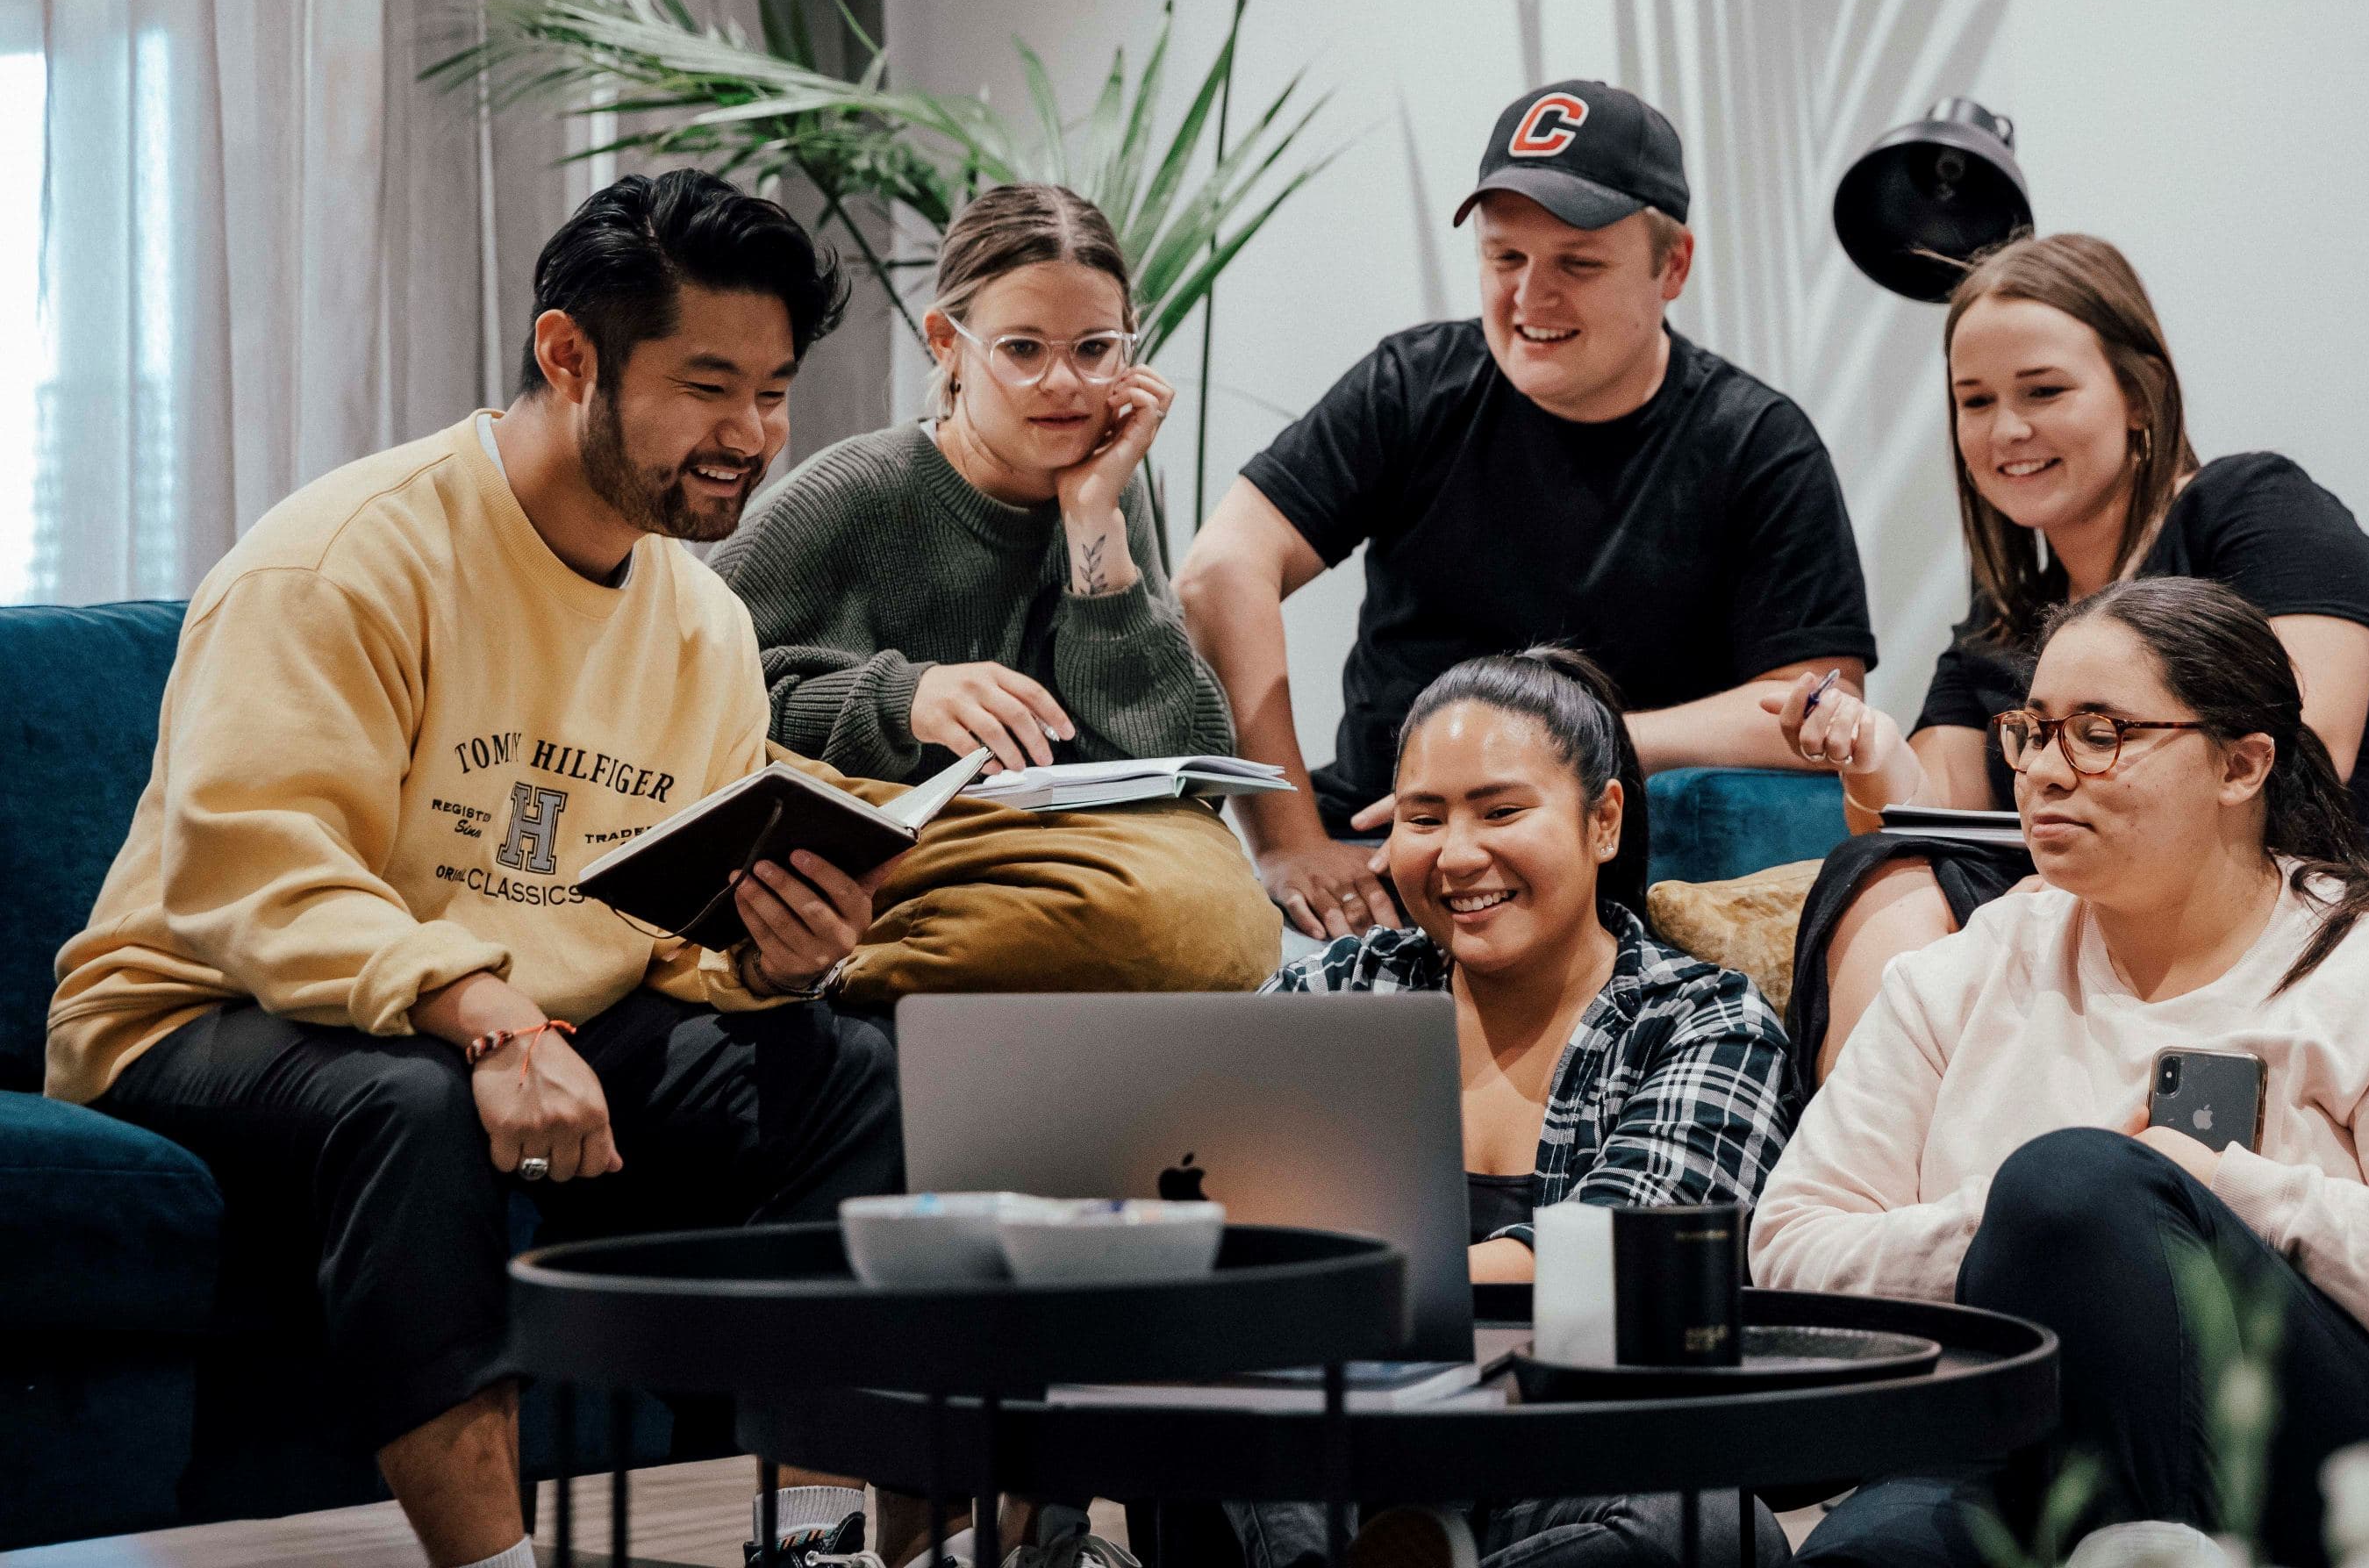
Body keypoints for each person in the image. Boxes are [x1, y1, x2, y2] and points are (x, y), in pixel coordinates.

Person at [43, 172, 937, 1568]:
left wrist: (766, 953)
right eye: (708, 385)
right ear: (568, 352)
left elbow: (656, 921)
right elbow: (259, 871)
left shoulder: (700, 620)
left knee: (838, 1071)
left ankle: (814, 1540)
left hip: (531, 1009)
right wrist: (493, 1018)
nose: (750, 437)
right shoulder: (346, 558)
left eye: (772, 392)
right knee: (412, 1104)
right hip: (207, 1008)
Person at [1752, 577, 2369, 1568]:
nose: (2044, 771)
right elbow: (1791, 1251)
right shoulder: (1964, 972)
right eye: (2033, 730)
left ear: (2242, 764)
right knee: (1865, 1555)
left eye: (2101, 731)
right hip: (2024, 1443)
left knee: (2076, 1185)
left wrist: (2225, 1194)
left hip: (2348, 1477)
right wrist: (2022, 1238)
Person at [1771, 232, 2369, 1085]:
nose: (2006, 429)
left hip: (2327, 909)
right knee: (1883, 873)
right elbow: (1932, 821)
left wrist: (2040, 895)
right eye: (1973, 401)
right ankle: (1878, 1195)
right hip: (2110, 938)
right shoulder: (2009, 617)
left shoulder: (2253, 510)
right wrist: (1870, 755)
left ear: (2139, 394)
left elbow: (2298, 765)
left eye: (2044, 390)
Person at [1178, 79, 1877, 942]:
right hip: (1385, 853)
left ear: (1673, 265)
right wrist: (1288, 844)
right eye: (1505, 258)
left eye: (1577, 264)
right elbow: (1221, 570)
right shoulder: (1412, 387)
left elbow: (1818, 705)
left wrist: (1565, 744)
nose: (1529, 298)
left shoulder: (1756, 442)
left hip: (1613, 878)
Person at [1243, 647, 1794, 1568]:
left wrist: (1339, 1288)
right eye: (1424, 816)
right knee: (1234, 1413)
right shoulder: (1344, 989)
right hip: (1346, 1450)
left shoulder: (1700, 1018)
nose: (1458, 854)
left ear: (1604, 820)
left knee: (1695, 1518)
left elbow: (1616, 1253)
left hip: (1566, 1457)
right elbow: (1225, 1215)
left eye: (1500, 811)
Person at [713, 183, 1276, 1003]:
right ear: (947, 344)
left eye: (1094, 349)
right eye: (1021, 349)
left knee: (1222, 914)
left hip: (1053, 850)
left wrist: (1094, 522)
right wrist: (904, 697)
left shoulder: (1106, 487)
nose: (1064, 384)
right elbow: (689, 698)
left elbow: (1181, 768)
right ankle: (841, 971)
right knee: (1173, 920)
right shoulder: (858, 488)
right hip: (895, 851)